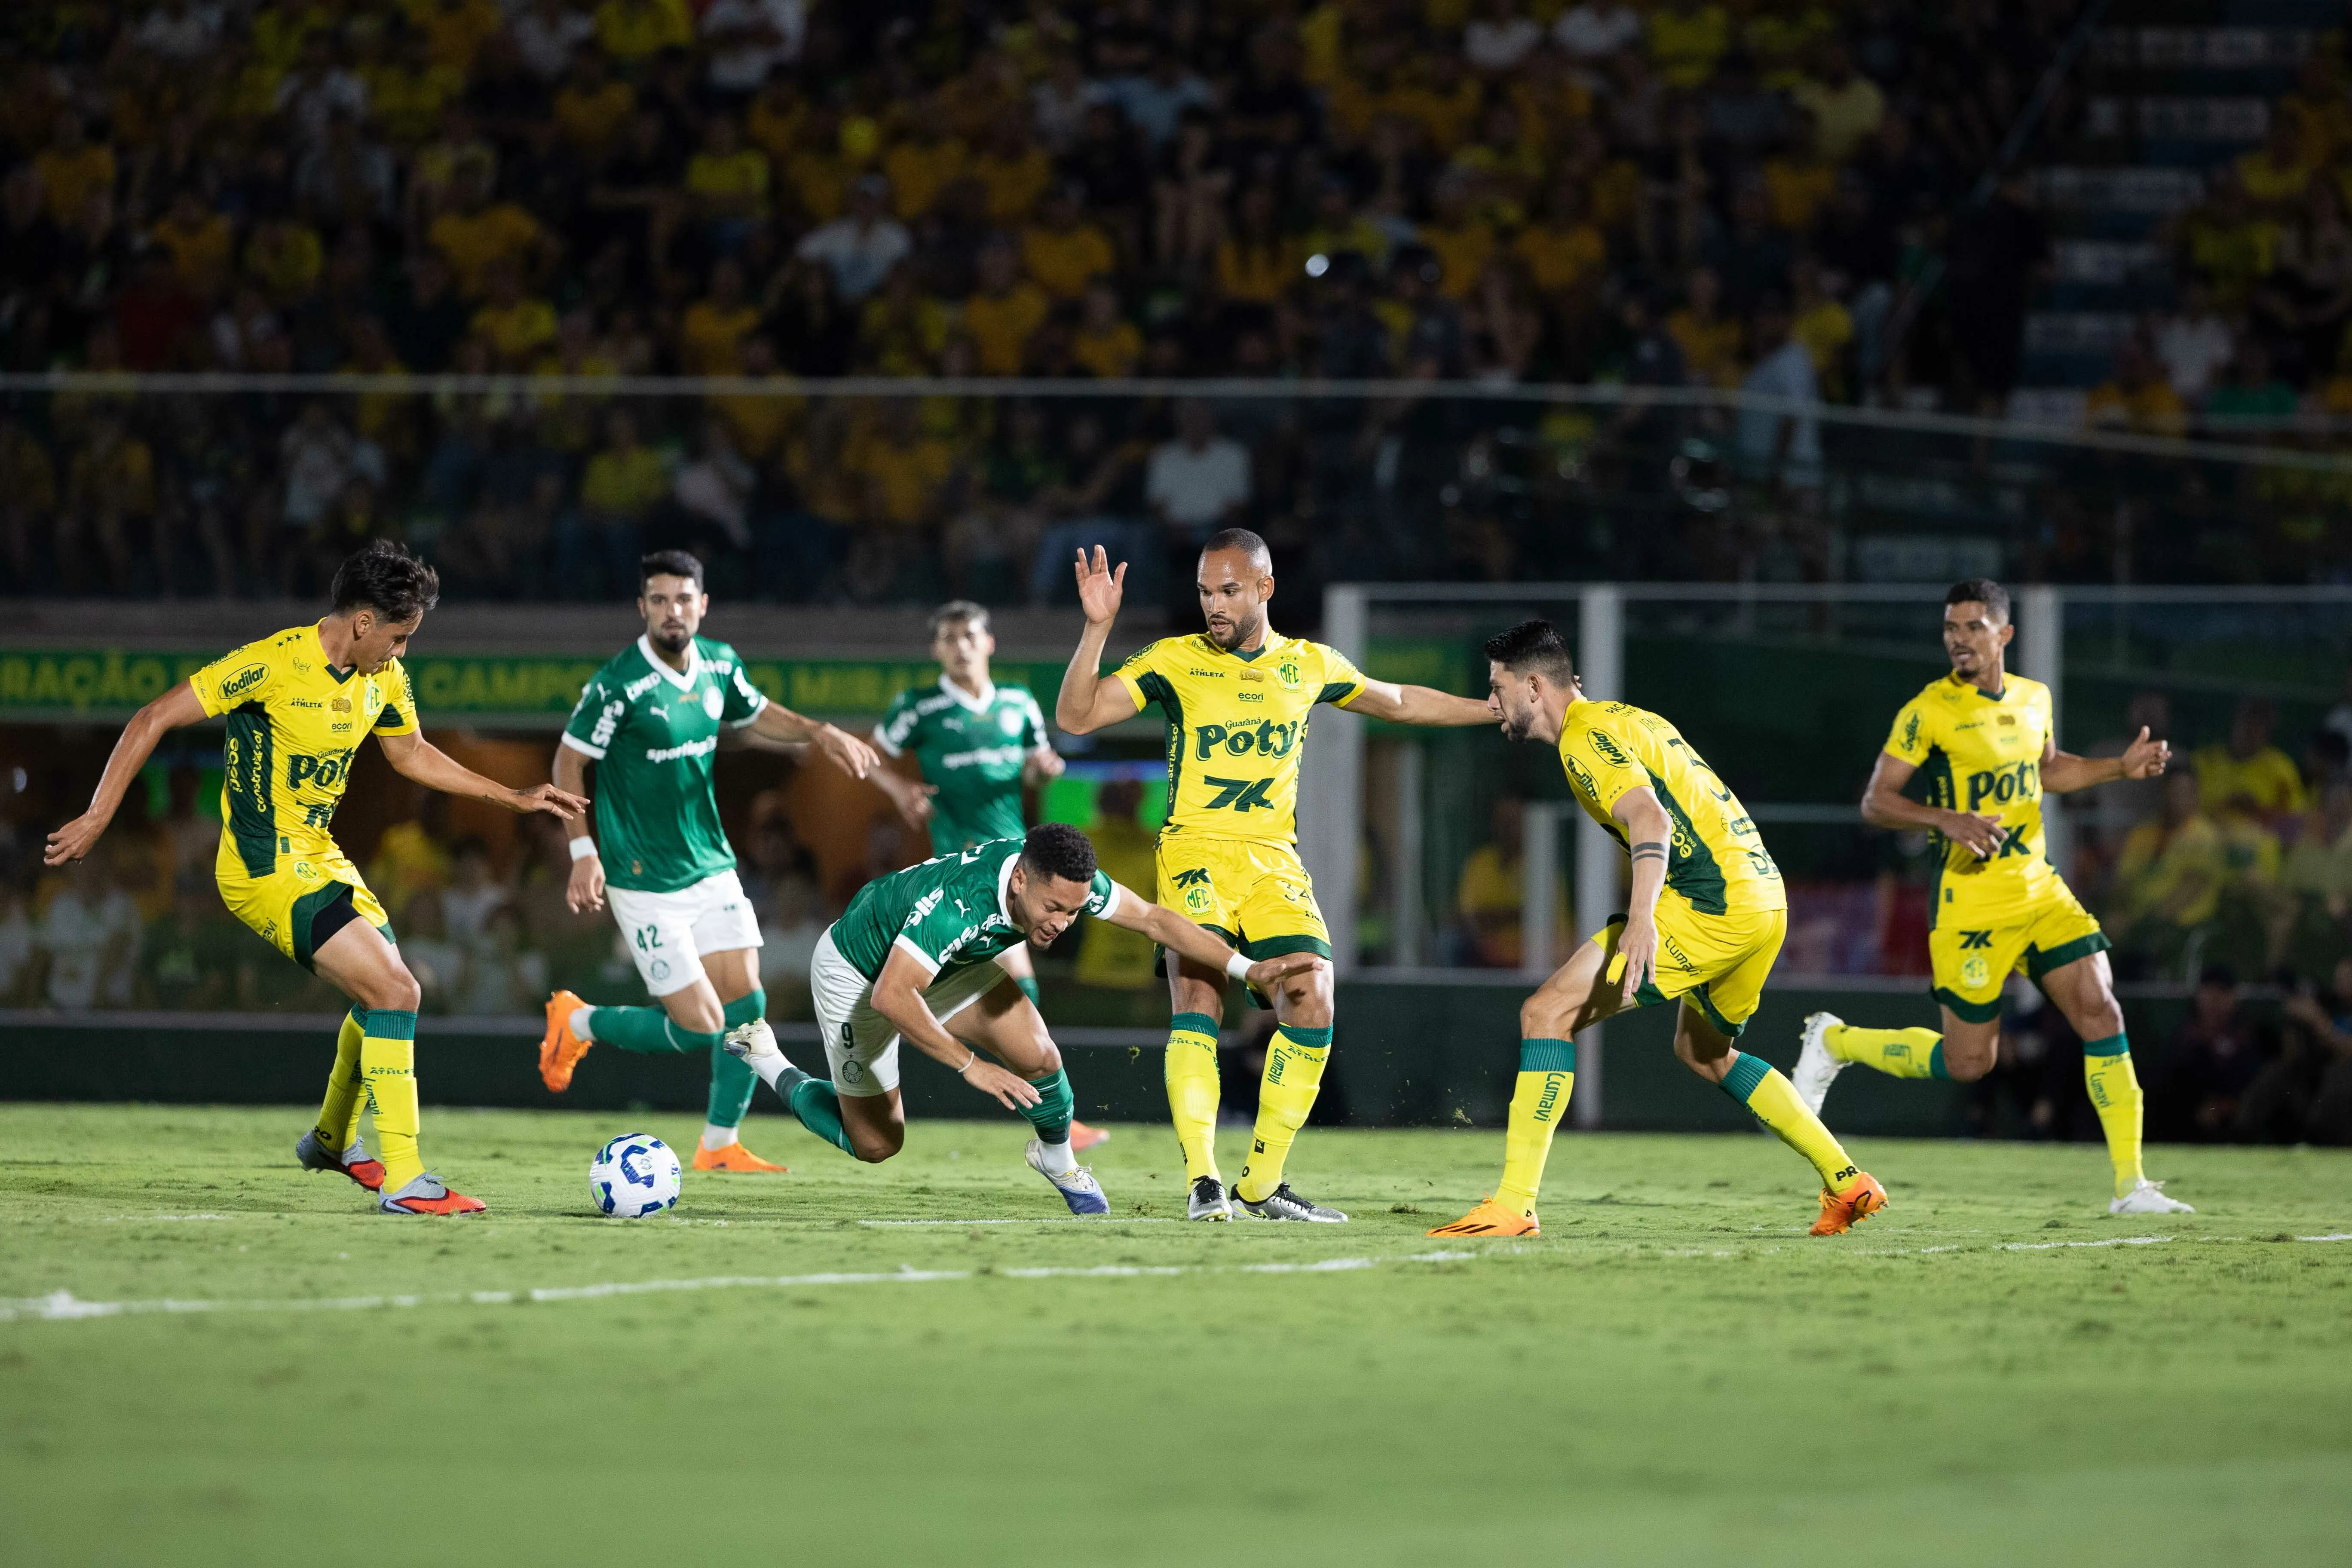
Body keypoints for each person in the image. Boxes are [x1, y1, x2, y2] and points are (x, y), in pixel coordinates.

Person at [43, 541, 587, 1215]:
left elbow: (410, 752)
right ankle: (405, 1176)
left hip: (321, 858)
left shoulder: (381, 676)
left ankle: (332, 1139)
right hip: (261, 866)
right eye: (399, 636)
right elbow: (153, 716)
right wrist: (99, 816)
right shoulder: (271, 664)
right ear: (362, 624)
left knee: (381, 994)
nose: (402, 652)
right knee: (397, 989)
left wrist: (513, 796)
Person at [1055, 531, 1494, 1222]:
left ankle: (1261, 1183)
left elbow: (1400, 701)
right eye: (1204, 592)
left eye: (1228, 591)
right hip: (1195, 851)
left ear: (1264, 588)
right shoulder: (1176, 662)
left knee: (1314, 992)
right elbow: (1076, 717)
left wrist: (1492, 710)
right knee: (1198, 998)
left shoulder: (1309, 666)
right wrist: (1097, 628)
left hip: (1272, 862)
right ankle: (1204, 1179)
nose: (1213, 606)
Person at [1429, 620, 1886, 1239]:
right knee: (1706, 1052)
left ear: (1534, 687)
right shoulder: (1624, 717)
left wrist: (1642, 918)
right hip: (1763, 898)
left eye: (1498, 688)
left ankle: (1515, 1203)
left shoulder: (1584, 742)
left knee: (1546, 1015)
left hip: (1711, 902)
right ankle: (1847, 1179)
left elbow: (1649, 818)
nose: (1492, 703)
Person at [1793, 579, 2191, 1216]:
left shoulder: (2035, 697)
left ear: (2004, 635)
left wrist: (2120, 767)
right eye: (1951, 628)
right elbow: (1877, 801)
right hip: (1971, 903)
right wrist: (1944, 818)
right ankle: (1837, 1043)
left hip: (2039, 888)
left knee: (2101, 1011)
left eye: (1973, 627)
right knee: (1970, 1062)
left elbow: (2050, 767)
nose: (1959, 639)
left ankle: (2131, 1186)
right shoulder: (1928, 710)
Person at [720, 824, 1319, 1213]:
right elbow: (894, 998)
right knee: (876, 1144)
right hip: (862, 973)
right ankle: (768, 1058)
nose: (1062, 921)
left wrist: (1247, 969)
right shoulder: (962, 903)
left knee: (1041, 1056)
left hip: (952, 967)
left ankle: (1057, 1161)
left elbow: (1159, 922)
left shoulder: (1061, 880)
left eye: (1075, 910)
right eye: (1053, 908)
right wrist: (971, 1066)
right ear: (1022, 879)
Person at [536, 549, 881, 1174]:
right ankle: (578, 1020)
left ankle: (719, 1143)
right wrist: (582, 853)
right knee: (700, 1025)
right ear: (643, 608)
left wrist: (819, 731)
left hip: (712, 865)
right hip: (642, 880)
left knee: (745, 1009)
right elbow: (567, 763)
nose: (673, 611)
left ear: (703, 604)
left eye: (683, 598)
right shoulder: (618, 684)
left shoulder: (720, 664)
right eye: (660, 600)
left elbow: (758, 714)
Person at [866, 600, 1109, 1152]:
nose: (961, 646)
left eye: (970, 636)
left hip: (1018, 867)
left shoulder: (1018, 702)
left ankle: (1037, 1097)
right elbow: (871, 755)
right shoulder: (919, 706)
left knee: (1017, 983)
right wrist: (899, 789)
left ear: (989, 643)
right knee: (1006, 981)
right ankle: (1046, 1108)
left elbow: (1038, 762)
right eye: (949, 639)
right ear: (937, 650)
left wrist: (1043, 769)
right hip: (961, 875)